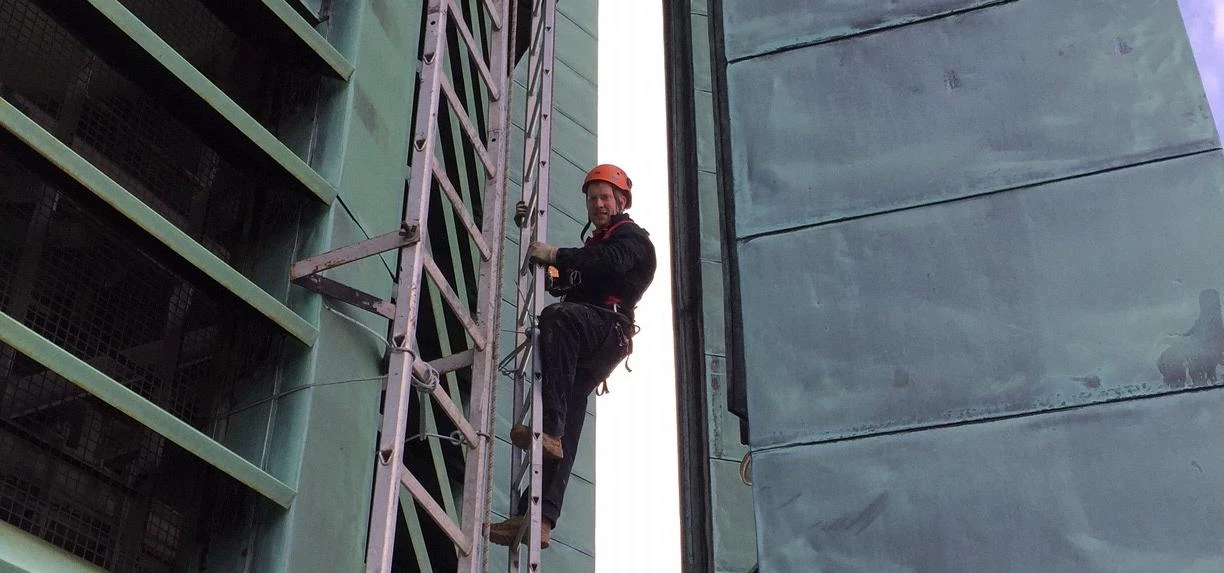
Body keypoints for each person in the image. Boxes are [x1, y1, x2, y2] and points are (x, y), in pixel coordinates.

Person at [488, 164, 657, 548]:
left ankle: (550, 432)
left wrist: (559, 254)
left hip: (607, 329)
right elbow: (564, 281)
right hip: (596, 336)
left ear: (621, 201)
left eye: (604, 197)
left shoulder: (630, 239)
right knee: (570, 409)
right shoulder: (596, 248)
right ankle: (539, 519)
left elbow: (608, 264)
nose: (598, 204)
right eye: (592, 198)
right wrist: (536, 245)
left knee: (557, 319)